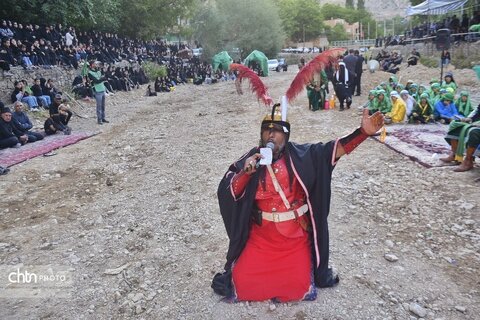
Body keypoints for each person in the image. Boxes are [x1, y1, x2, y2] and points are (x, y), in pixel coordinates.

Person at [212, 103, 384, 302]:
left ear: (286, 135)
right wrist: (245, 174)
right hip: (262, 237)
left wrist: (362, 133)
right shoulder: (251, 159)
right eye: (267, 129)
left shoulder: (303, 155)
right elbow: (228, 192)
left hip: (293, 237)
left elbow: (334, 150)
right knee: (242, 283)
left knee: (297, 287)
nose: (271, 135)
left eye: (277, 131)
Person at [440, 103, 480, 171]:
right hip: (476, 122)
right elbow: (477, 111)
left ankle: (468, 160)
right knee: (455, 124)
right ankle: (455, 155)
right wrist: (469, 118)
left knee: (474, 133)